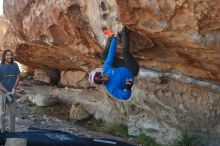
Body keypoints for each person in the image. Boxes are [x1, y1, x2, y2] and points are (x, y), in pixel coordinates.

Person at [89, 27, 139, 100]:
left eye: (103, 76)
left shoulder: (106, 69)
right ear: (102, 83)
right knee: (124, 53)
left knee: (104, 55)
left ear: (101, 73)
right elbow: (125, 96)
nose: (105, 78)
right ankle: (125, 31)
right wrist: (128, 87)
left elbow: (110, 55)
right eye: (103, 81)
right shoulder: (111, 89)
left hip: (123, 67)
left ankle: (111, 36)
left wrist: (114, 39)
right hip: (132, 70)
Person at [0, 49, 20, 132]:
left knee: (12, 113)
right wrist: (5, 90)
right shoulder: (0, 66)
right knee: (2, 113)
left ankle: (12, 131)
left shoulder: (15, 65)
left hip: (12, 93)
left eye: (11, 55)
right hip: (2, 93)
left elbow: (18, 76)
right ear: (4, 56)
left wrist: (14, 88)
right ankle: (2, 131)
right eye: (7, 55)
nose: (9, 56)